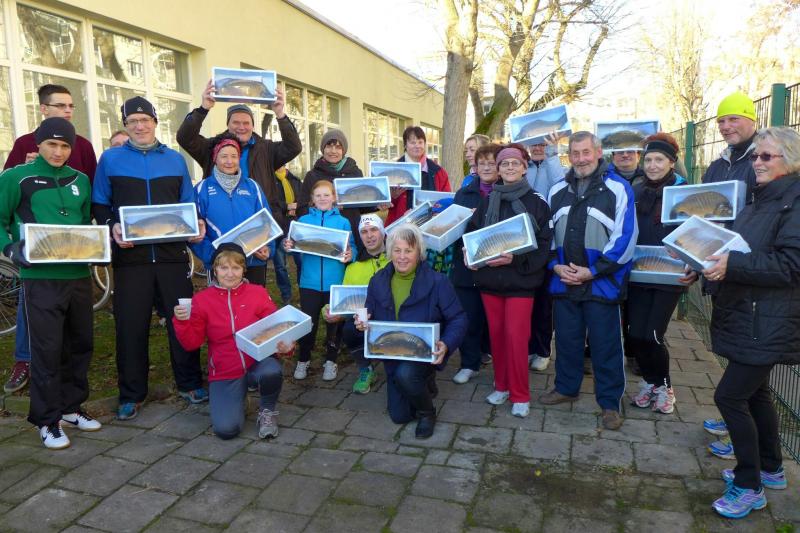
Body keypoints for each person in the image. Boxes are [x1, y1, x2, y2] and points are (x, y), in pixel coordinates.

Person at [702, 127, 798, 519]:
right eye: (756, 155)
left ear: (790, 160)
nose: (756, 162)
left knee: (729, 397)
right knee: (756, 393)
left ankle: (748, 486)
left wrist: (733, 265)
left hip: (768, 319)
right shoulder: (762, 198)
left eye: (766, 156)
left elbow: (791, 265)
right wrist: (706, 262)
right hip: (750, 314)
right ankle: (770, 467)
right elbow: (739, 250)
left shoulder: (794, 202)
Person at [92, 96, 207, 421]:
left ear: (155, 123)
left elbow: (188, 203)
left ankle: (189, 383)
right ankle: (132, 393)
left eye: (145, 120)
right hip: (132, 259)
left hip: (172, 258)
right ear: (125, 126)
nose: (139, 126)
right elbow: (99, 203)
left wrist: (196, 222)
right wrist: (111, 226)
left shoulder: (174, 159)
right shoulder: (111, 159)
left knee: (182, 319)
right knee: (131, 326)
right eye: (133, 122)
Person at [0, 118, 100, 449]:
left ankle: (71, 408)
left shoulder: (81, 180)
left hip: (78, 275)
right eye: (52, 144)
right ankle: (47, 420)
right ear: (38, 144)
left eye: (65, 145)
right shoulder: (16, 177)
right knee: (47, 350)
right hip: (40, 278)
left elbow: (84, 223)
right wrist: (9, 247)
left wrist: (98, 247)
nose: (58, 152)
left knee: (80, 344)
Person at [541, 131, 638, 431]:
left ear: (598, 153)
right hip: (564, 281)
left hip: (601, 283)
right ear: (569, 156)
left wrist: (593, 271)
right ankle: (566, 388)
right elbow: (545, 234)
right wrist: (555, 266)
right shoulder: (557, 190)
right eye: (575, 153)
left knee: (605, 345)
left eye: (586, 152)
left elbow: (625, 239)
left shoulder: (618, 188)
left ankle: (609, 403)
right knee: (567, 341)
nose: (581, 159)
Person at [356, 224, 467, 438]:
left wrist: (446, 344)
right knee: (400, 416)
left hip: (422, 353)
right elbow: (369, 314)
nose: (402, 257)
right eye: (397, 250)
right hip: (393, 354)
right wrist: (363, 324)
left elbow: (458, 318)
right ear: (390, 252)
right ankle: (424, 386)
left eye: (408, 250)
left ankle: (428, 413)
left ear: (419, 253)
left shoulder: (438, 282)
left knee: (406, 375)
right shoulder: (377, 281)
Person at [173, 243, 293, 440]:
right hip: (225, 370)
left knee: (271, 371)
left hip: (257, 362)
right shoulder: (202, 300)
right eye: (224, 268)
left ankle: (267, 411)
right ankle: (238, 399)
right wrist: (182, 322)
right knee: (226, 430)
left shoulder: (258, 293)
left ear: (243, 270)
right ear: (215, 270)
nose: (230, 274)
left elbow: (277, 328)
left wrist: (286, 346)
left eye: (236, 268)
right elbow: (191, 343)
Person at [467, 144, 553, 417]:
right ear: (498, 169)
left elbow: (544, 245)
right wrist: (469, 254)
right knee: (497, 338)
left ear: (525, 168)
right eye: (505, 164)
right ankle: (501, 385)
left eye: (516, 163)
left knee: (516, 338)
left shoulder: (537, 202)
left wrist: (515, 260)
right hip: (490, 281)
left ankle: (520, 394)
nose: (510, 167)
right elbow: (472, 233)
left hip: (521, 283)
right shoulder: (487, 201)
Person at [177, 80, 302, 231]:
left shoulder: (266, 149)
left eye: (246, 123)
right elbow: (184, 138)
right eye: (236, 122)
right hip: (221, 225)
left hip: (261, 225)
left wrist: (280, 114)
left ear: (252, 126)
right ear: (228, 125)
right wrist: (203, 109)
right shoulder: (212, 147)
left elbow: (294, 147)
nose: (241, 127)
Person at [626, 133, 689, 415]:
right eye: (648, 160)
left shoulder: (684, 192)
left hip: (670, 276)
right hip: (639, 273)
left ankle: (665, 387)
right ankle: (650, 383)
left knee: (652, 334)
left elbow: (697, 232)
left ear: (672, 162)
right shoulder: (636, 190)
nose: (652, 165)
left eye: (659, 160)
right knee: (635, 335)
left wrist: (691, 263)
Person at [284, 180, 354, 381]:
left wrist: (351, 254)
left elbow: (352, 247)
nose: (322, 198)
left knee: (334, 324)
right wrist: (288, 246)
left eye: (326, 195)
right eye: (318, 195)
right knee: (309, 323)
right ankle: (303, 359)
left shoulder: (343, 222)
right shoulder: (303, 220)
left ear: (334, 198)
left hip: (335, 282)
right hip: (310, 282)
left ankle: (331, 360)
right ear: (312, 199)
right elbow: (293, 245)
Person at [191, 134, 275, 286]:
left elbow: (267, 223)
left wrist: (268, 248)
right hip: (220, 265)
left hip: (252, 262)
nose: (229, 161)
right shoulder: (201, 189)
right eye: (224, 156)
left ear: (239, 158)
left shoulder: (252, 187)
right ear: (215, 158)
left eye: (234, 156)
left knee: (253, 301)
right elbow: (195, 231)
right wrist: (212, 256)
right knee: (221, 302)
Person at [449, 143, 500, 385]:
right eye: (482, 164)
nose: (487, 168)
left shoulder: (506, 192)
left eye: (492, 163)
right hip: (466, 266)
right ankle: (469, 363)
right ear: (475, 168)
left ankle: (498, 365)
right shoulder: (464, 193)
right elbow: (453, 231)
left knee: (495, 321)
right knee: (468, 317)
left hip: (497, 267)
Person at [324, 213, 390, 394]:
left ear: (383, 232)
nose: (369, 236)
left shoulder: (396, 259)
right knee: (349, 329)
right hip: (367, 318)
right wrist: (331, 310)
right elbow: (345, 300)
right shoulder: (353, 267)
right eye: (364, 232)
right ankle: (365, 369)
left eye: (374, 230)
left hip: (395, 315)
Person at [297, 129, 380, 255]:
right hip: (325, 237)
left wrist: (377, 205)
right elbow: (301, 209)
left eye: (338, 147)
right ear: (323, 149)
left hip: (352, 232)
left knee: (351, 263)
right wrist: (325, 206)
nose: (333, 151)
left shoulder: (355, 173)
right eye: (329, 146)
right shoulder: (312, 176)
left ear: (343, 150)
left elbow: (361, 206)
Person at [525, 132, 567, 372]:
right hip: (524, 244)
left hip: (548, 244)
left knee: (544, 303)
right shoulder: (523, 167)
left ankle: (542, 350)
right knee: (527, 301)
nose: (538, 147)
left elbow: (561, 185)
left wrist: (552, 154)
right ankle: (529, 346)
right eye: (534, 144)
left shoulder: (556, 167)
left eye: (542, 144)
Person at [384, 126, 452, 226]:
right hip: (399, 226)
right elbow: (383, 204)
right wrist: (393, 196)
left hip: (430, 226)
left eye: (420, 142)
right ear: (405, 145)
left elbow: (447, 201)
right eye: (413, 142)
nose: (417, 146)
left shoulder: (439, 172)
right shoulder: (393, 170)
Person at [702, 91, 758, 200]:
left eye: (733, 119)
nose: (725, 127)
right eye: (721, 121)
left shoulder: (768, 160)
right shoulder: (715, 167)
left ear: (752, 121)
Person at [272, 165, 303, 303]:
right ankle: (286, 295)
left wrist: (297, 207)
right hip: (278, 227)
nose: (281, 164)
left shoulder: (294, 180)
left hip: (295, 226)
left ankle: (303, 292)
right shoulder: (269, 181)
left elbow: (303, 200)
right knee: (280, 265)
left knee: (301, 262)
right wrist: (287, 206)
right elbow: (270, 202)